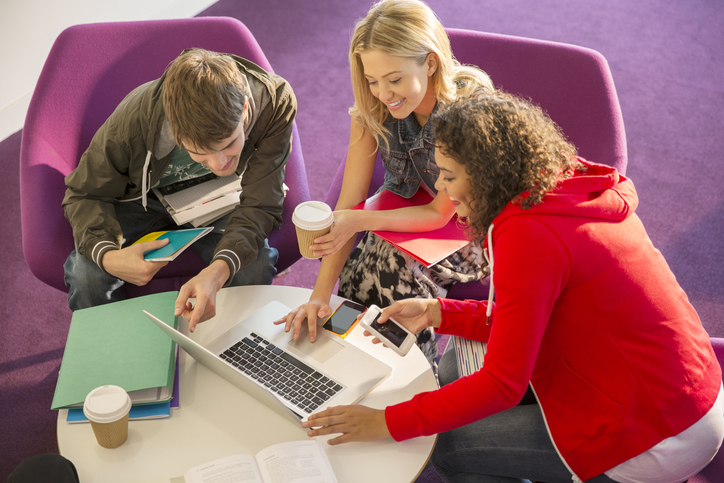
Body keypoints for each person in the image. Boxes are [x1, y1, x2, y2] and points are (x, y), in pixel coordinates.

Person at [301, 88, 724, 483]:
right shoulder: (558, 188)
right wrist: (438, 312)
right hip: (667, 378)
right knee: (451, 375)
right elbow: (531, 315)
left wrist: (385, 422)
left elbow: (503, 384)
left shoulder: (528, 236)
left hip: (661, 427)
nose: (442, 190)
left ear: (487, 175)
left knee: (446, 447)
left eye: (448, 176)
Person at [278, 0, 493, 365]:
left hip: (470, 224)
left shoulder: (465, 111)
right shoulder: (372, 110)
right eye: (372, 80)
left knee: (398, 280)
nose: (382, 93)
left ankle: (416, 385)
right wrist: (320, 296)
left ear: (430, 61)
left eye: (394, 79)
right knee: (356, 277)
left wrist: (360, 221)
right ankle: (354, 371)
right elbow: (349, 204)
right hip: (409, 211)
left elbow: (440, 215)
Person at [63, 48, 296, 330]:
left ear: (245, 109)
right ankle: (108, 356)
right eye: (200, 153)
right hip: (141, 200)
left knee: (254, 266)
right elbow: (84, 193)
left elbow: (260, 203)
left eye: (229, 144)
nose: (219, 163)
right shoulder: (134, 120)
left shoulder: (274, 103)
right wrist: (109, 257)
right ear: (174, 130)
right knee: (87, 277)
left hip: (220, 198)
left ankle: (233, 350)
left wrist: (218, 270)